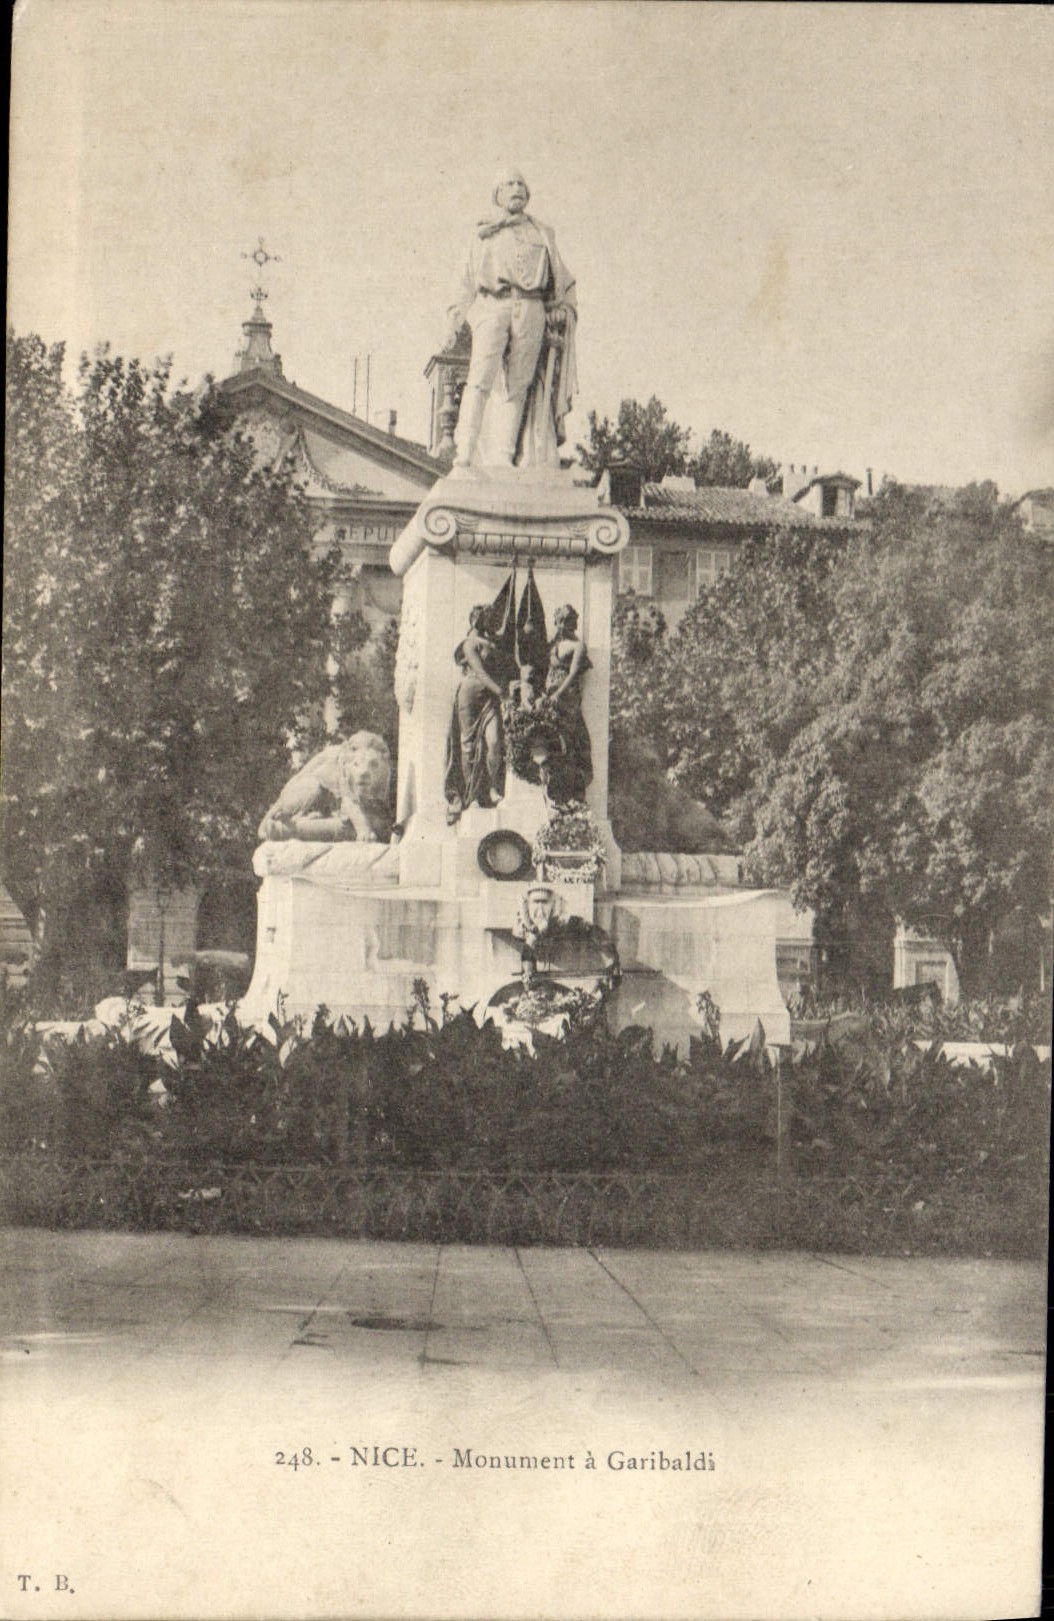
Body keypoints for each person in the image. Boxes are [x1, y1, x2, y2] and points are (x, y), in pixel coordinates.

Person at [446, 167, 577, 470]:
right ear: (498, 193)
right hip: (493, 304)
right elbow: (464, 280)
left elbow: (561, 281)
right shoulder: (483, 231)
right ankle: (464, 451)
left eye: (521, 184)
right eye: (509, 184)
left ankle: (503, 456)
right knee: (479, 379)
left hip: (531, 309)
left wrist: (560, 307)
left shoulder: (543, 233)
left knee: (518, 385)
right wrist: (454, 320)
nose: (517, 188)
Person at [444, 605, 508, 819]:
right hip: (471, 695)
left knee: (495, 742)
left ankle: (492, 787)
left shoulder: (493, 643)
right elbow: (479, 671)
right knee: (468, 746)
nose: (491, 623)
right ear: (476, 621)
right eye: (487, 619)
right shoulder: (469, 644)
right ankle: (470, 795)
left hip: (490, 698)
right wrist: (500, 690)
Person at [543, 604, 593, 802]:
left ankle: (572, 790)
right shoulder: (553, 645)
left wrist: (558, 694)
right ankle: (554, 788)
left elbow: (573, 673)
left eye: (569, 621)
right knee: (553, 743)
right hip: (550, 701)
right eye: (561, 620)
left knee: (570, 743)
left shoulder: (578, 645)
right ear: (556, 622)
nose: (565, 625)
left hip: (567, 699)